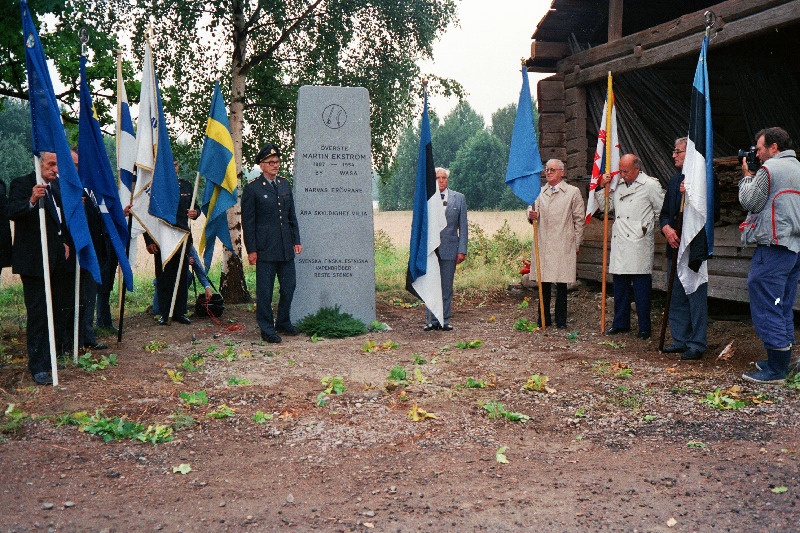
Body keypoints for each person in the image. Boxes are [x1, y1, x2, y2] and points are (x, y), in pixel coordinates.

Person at [7, 152, 75, 385]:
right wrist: (32, 200)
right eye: (51, 164)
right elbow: (12, 211)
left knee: (54, 309)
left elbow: (59, 222)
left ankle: (49, 358)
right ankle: (37, 366)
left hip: (55, 260)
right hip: (33, 262)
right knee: (38, 313)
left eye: (58, 165)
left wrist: (63, 241)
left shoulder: (55, 188)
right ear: (39, 164)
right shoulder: (22, 184)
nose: (55, 169)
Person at [739, 127, 800, 384]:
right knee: (782, 302)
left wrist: (747, 176)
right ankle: (782, 360)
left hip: (774, 247)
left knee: (767, 301)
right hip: (794, 248)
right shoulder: (797, 168)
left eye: (760, 148)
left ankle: (775, 370)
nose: (758, 153)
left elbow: (750, 202)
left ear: (774, 147)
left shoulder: (770, 170)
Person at [597, 154, 665, 339]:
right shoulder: (617, 186)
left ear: (637, 169)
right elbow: (606, 206)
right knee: (620, 287)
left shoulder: (650, 185)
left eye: (626, 171)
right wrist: (601, 186)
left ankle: (644, 327)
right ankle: (620, 323)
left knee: (641, 289)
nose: (622, 174)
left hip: (638, 243)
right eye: (621, 170)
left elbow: (662, 209)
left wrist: (646, 228)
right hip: (621, 242)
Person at [242, 143, 302, 344]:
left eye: (277, 162)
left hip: (286, 248)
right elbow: (248, 223)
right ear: (261, 165)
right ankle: (266, 329)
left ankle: (283, 322)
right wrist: (251, 250)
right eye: (271, 162)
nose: (275, 165)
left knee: (289, 287)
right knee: (265, 292)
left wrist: (296, 240)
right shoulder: (252, 189)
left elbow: (291, 215)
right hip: (265, 249)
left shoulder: (284, 184)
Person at [659, 138, 708, 360]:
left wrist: (691, 193)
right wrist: (667, 229)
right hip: (675, 246)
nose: (673, 155)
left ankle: (697, 342)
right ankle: (680, 338)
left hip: (694, 247)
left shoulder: (705, 180)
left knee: (695, 295)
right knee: (677, 294)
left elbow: (709, 211)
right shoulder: (673, 180)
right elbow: (664, 213)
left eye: (677, 151)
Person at [526, 159, 584, 329]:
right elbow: (530, 211)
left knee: (561, 282)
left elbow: (579, 220)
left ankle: (561, 320)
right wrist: (531, 216)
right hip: (543, 242)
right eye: (547, 169)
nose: (548, 172)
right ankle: (543, 318)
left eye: (552, 170)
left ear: (561, 172)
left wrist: (577, 243)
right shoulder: (539, 192)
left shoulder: (572, 192)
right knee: (543, 282)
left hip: (563, 242)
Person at [144, 160, 198, 325]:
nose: (173, 167)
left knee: (182, 277)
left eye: (175, 164)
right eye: (170, 164)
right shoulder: (154, 188)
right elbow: (148, 216)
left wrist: (195, 213)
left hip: (181, 237)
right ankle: (165, 313)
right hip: (161, 239)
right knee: (163, 277)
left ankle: (180, 313)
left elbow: (195, 207)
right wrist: (149, 240)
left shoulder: (186, 185)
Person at [424, 167, 468, 331]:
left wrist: (462, 249)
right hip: (430, 249)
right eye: (437, 178)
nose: (441, 180)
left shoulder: (459, 198)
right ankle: (430, 321)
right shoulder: (427, 198)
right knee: (430, 285)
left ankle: (444, 320)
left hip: (450, 249)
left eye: (444, 178)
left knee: (446, 286)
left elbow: (463, 227)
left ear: (447, 180)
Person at [151, 244, 213, 315]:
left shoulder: (187, 244)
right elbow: (163, 265)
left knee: (188, 275)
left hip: (180, 278)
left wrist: (207, 286)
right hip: (165, 279)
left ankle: (179, 304)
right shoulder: (164, 243)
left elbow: (198, 267)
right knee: (158, 311)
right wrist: (184, 261)